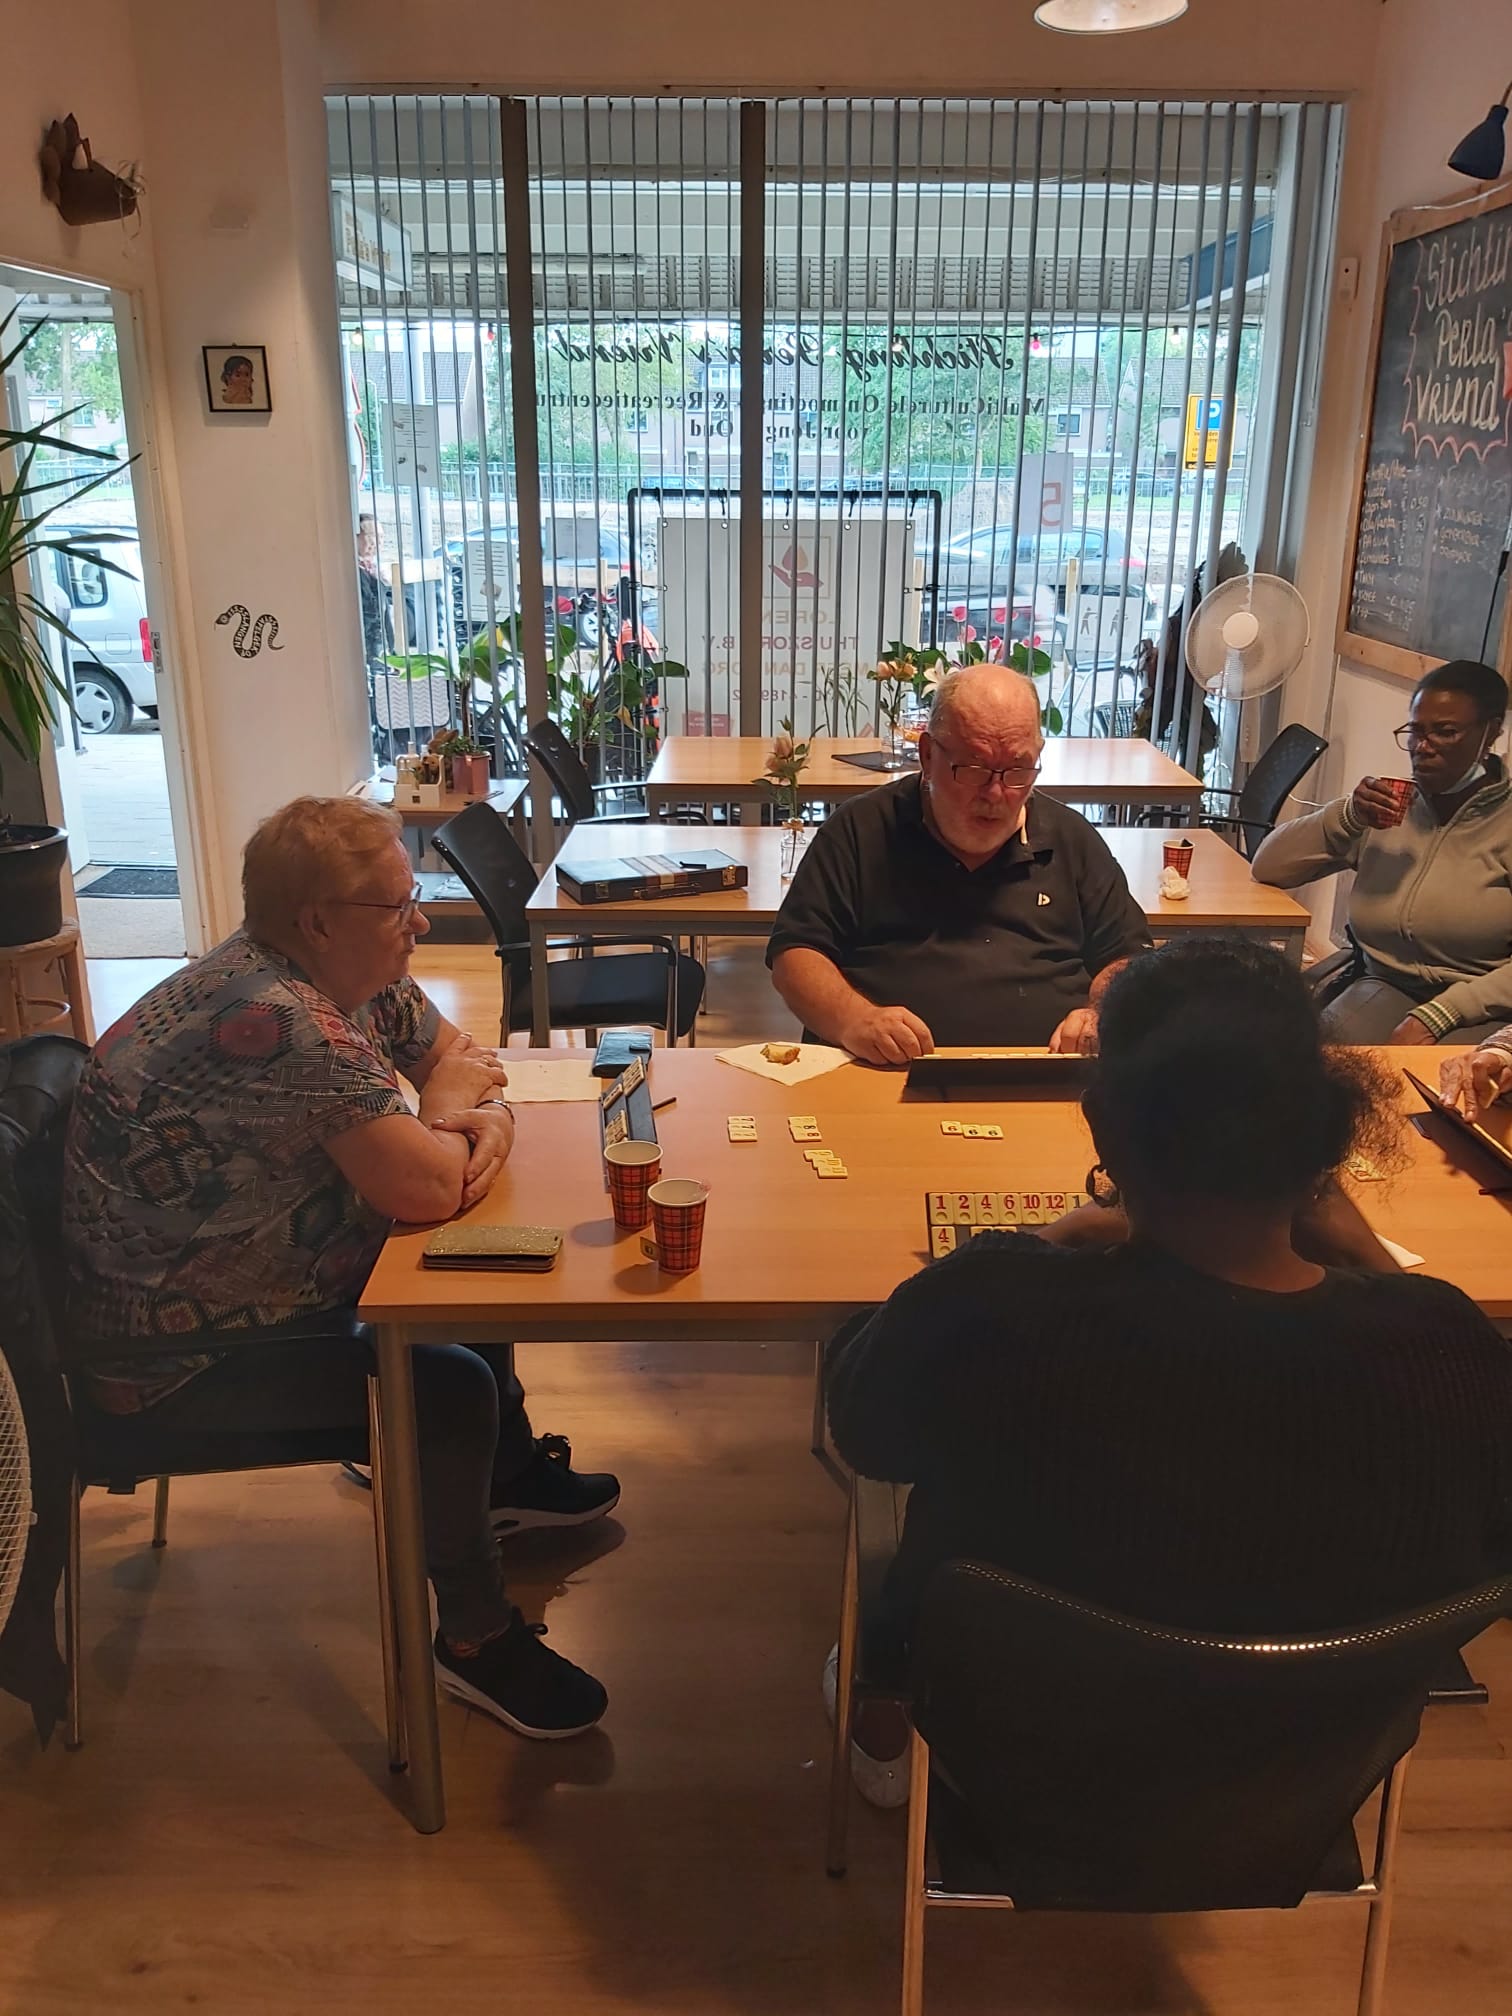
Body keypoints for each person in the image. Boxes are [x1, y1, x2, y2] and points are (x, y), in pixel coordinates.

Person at [825, 938, 1512, 1803]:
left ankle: (880, 1724)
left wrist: (1038, 1244)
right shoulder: (1450, 1348)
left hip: (1011, 1757)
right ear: (1328, 1135)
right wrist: (1367, 1255)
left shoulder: (992, 1306)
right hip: (1297, 1780)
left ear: (1104, 1125)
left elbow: (862, 1421)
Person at [62, 796, 618, 1740]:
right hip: (168, 1362)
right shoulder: (277, 1020)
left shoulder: (346, 974)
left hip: (243, 1282)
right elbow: (430, 1184)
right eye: (398, 905)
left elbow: (458, 1058)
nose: (421, 923)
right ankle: (475, 1637)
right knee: (444, 1383)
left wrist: (459, 1112)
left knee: (476, 1269)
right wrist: (455, 1118)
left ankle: (505, 1479)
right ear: (318, 920)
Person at [766, 665, 1154, 1061]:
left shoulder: (1071, 839)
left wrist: (1100, 1013)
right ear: (927, 755)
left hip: (1043, 1073)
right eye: (974, 769)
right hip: (883, 1071)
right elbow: (795, 955)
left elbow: (1128, 957)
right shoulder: (860, 829)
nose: (995, 793)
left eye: (1018, 770)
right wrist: (854, 1019)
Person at [1252, 660, 1512, 1044]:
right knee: (1311, 1060)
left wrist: (1444, 1012)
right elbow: (1268, 866)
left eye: (1445, 732)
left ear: (1491, 732)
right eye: (1415, 731)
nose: (1422, 748)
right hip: (1383, 983)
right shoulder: (1387, 806)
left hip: (1482, 1002)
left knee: (1437, 1079)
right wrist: (1350, 816)